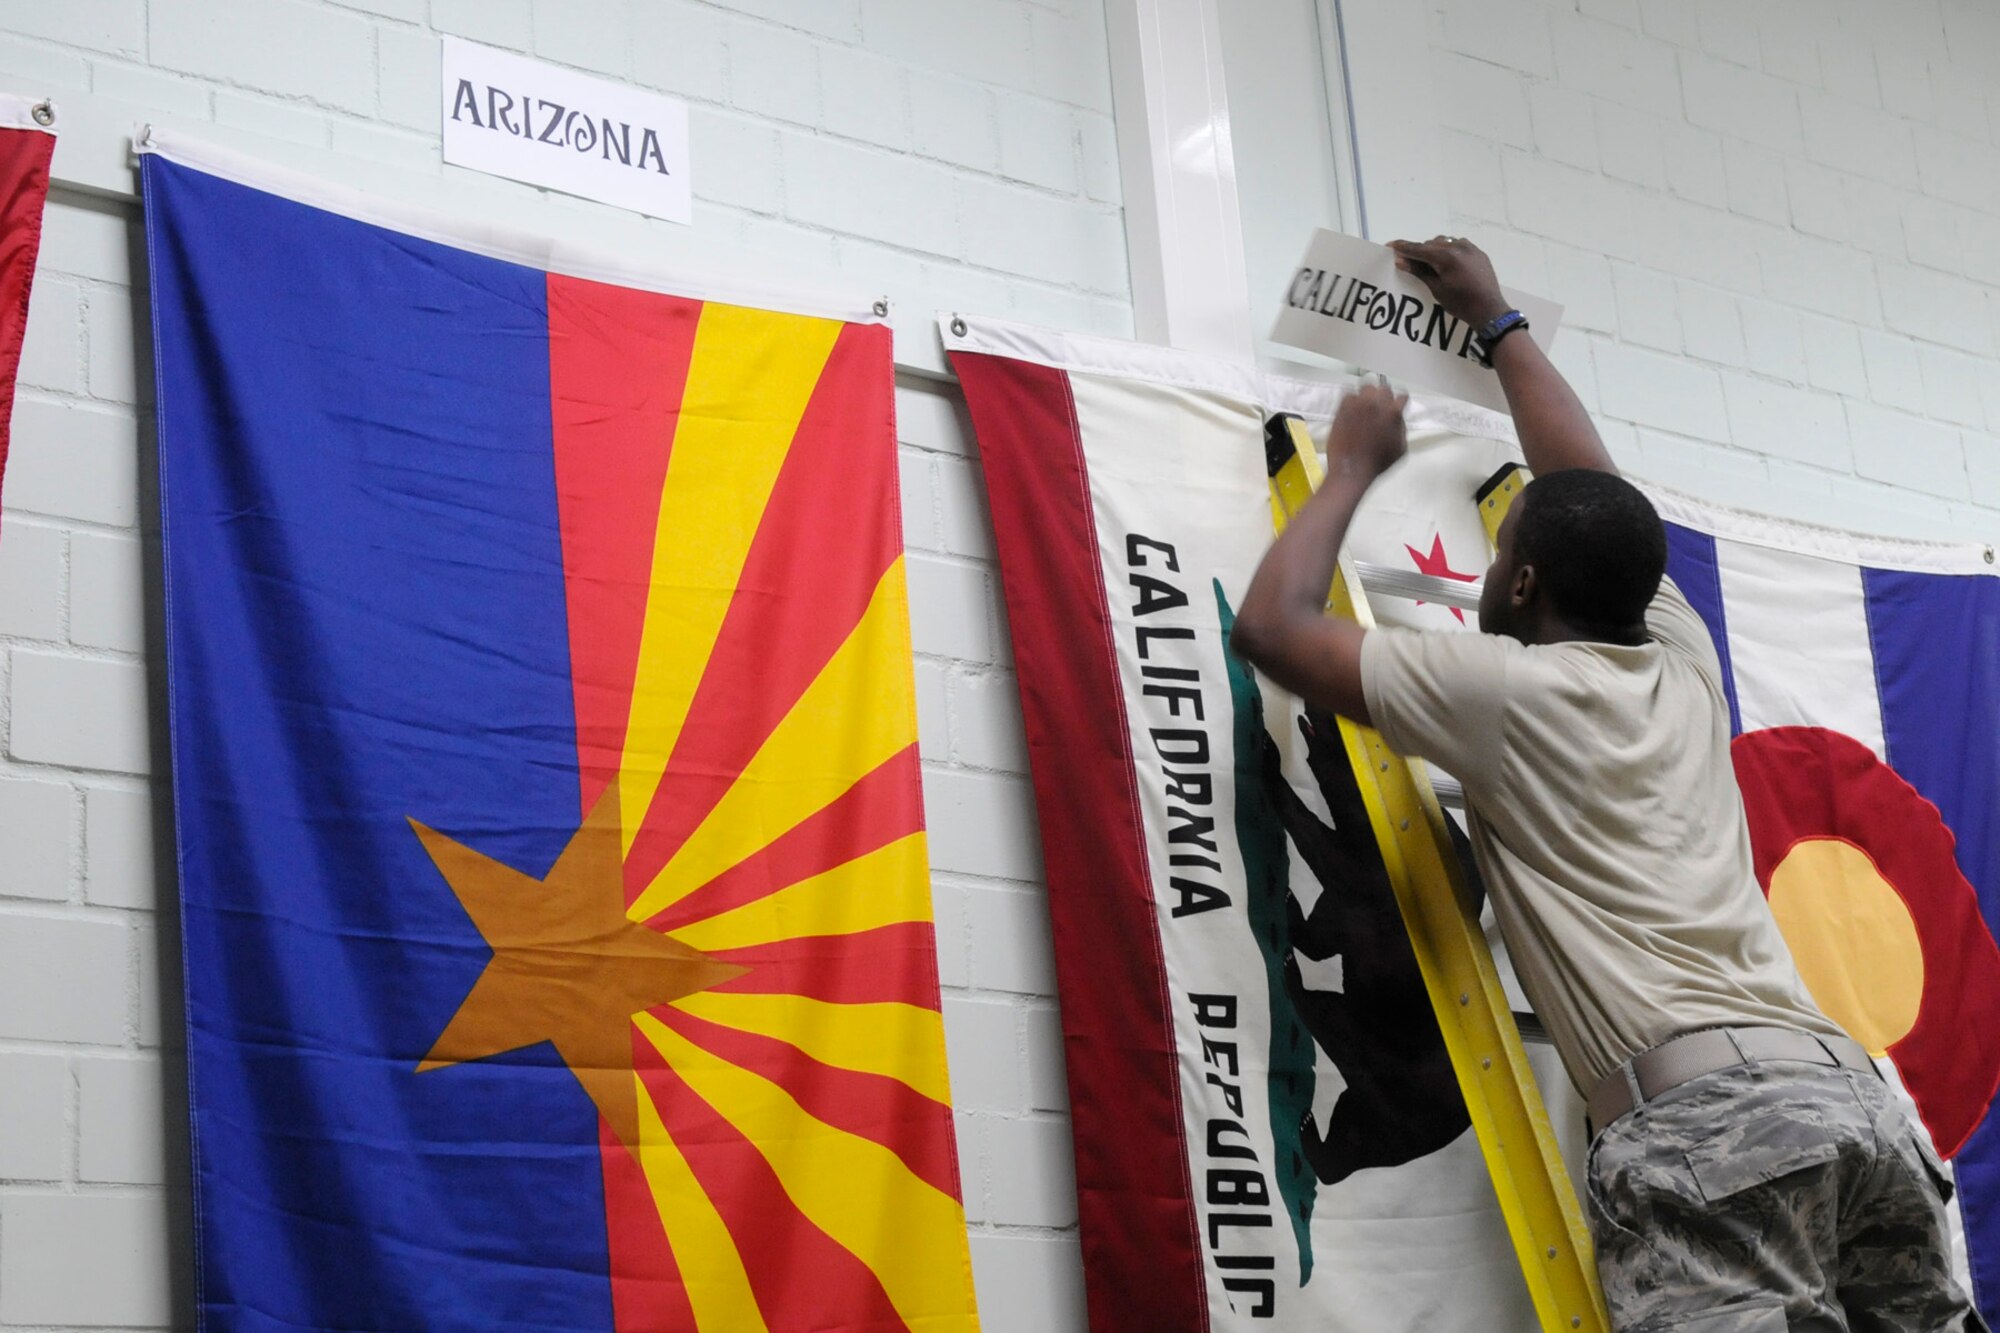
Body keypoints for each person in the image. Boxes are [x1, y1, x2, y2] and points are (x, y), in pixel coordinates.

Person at [1228, 235, 1987, 1332]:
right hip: (1856, 1107)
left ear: (1522, 579)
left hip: (1711, 1127)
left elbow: (1272, 627)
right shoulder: (1680, 658)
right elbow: (1586, 483)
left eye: (1497, 562)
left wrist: (1350, 468)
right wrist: (1496, 321)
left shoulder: (1509, 694)